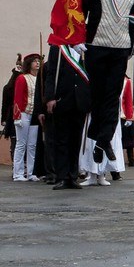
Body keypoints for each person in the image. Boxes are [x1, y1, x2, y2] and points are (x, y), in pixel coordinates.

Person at [81, 0, 134, 164]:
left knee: (113, 97)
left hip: (120, 48)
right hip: (96, 45)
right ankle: (99, 138)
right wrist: (79, 42)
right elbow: (80, 16)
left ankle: (103, 139)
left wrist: (133, 46)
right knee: (97, 95)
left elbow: (133, 20)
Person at [41, 45, 89, 190]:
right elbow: (51, 73)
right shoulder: (58, 47)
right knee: (61, 141)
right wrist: (50, 97)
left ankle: (72, 177)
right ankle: (61, 177)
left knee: (76, 141)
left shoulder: (86, 47)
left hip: (80, 101)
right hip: (62, 100)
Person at [80, 75, 132, 185]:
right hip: (94, 114)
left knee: (105, 144)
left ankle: (102, 175)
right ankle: (92, 176)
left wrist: (129, 116)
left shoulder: (120, 81)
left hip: (108, 115)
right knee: (91, 144)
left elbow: (125, 99)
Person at [12, 53, 42, 182]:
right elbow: (17, 98)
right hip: (23, 113)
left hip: (34, 114)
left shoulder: (40, 79)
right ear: (29, 64)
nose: (38, 63)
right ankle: (18, 173)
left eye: (38, 61)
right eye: (35, 61)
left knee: (32, 145)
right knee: (21, 144)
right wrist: (17, 116)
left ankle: (31, 172)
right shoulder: (22, 78)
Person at [1, 54, 22, 160]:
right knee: (15, 142)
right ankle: (16, 165)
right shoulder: (8, 88)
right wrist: (3, 119)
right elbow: (5, 104)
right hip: (12, 117)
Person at [119, 76, 134, 168]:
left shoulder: (126, 81)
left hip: (125, 116)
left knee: (129, 140)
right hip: (115, 116)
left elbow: (128, 100)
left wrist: (130, 117)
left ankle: (131, 158)